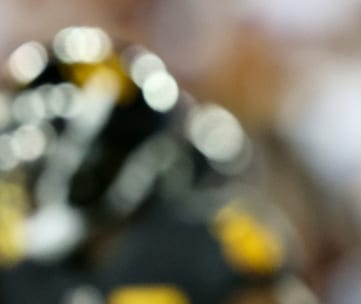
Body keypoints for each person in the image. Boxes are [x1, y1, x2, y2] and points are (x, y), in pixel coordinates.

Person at [0, 26, 317, 304]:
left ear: (99, 160)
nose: (21, 177)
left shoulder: (201, 245)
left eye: (35, 160)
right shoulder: (14, 260)